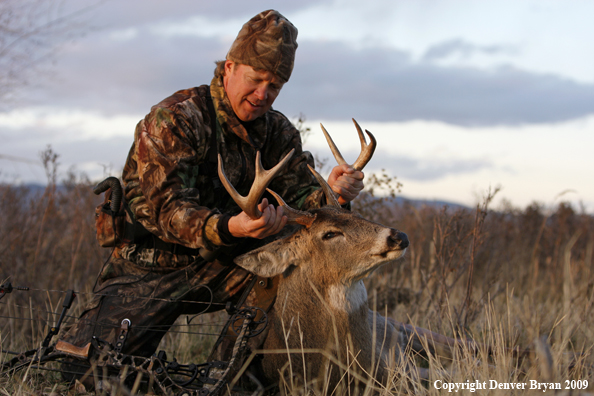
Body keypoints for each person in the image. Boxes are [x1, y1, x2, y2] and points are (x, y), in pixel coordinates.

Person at [60, 9, 364, 365]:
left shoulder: (279, 133)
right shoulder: (176, 118)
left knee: (289, 275)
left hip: (228, 264)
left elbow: (304, 205)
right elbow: (167, 211)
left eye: (275, 86)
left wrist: (335, 193)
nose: (264, 93)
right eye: (256, 78)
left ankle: (231, 377)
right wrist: (229, 226)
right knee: (81, 372)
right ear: (230, 67)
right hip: (149, 267)